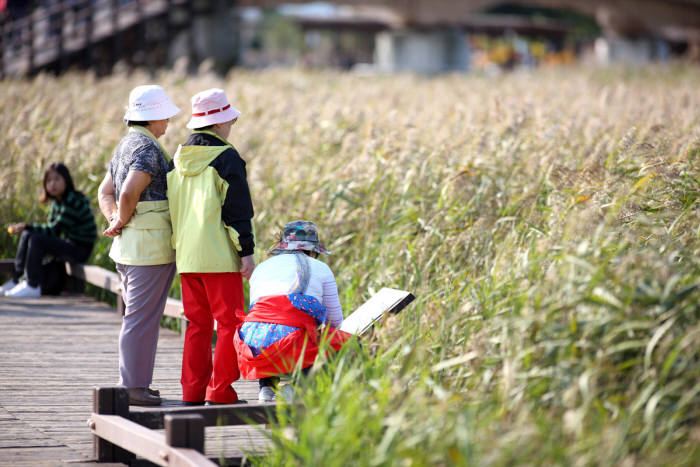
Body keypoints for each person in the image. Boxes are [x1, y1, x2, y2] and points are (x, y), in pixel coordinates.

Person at [167, 88, 256, 405]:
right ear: (220, 123)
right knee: (231, 323)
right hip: (219, 257)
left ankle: (191, 392)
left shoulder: (177, 158)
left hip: (187, 258)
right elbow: (237, 212)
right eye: (229, 120)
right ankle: (220, 392)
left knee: (197, 326)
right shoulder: (227, 158)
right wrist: (246, 252)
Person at [97, 84, 180, 406]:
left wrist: (114, 220)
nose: (168, 123)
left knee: (139, 316)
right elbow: (129, 191)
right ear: (154, 117)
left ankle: (137, 382)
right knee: (141, 318)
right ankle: (132, 387)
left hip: (129, 247)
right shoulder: (146, 150)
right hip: (149, 247)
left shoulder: (124, 145)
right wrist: (120, 218)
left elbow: (106, 192)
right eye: (165, 117)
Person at [233, 220, 351, 402]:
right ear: (313, 250)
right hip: (290, 343)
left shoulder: (262, 268)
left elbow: (258, 315)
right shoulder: (321, 268)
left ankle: (266, 387)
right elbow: (334, 322)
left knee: (268, 328)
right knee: (342, 343)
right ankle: (297, 386)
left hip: (252, 347)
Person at [1, 163, 96, 298]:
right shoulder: (58, 202)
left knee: (35, 237)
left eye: (57, 179)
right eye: (49, 180)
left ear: (66, 180)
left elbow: (54, 230)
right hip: (70, 244)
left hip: (80, 249)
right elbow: (52, 230)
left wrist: (27, 226)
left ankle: (32, 285)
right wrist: (27, 229)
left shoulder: (72, 201)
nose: (52, 184)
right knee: (29, 234)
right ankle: (17, 279)